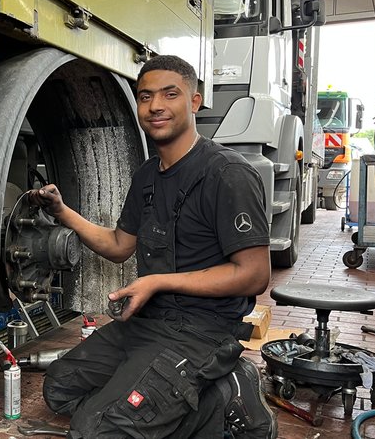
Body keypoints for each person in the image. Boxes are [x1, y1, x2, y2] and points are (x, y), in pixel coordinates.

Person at [32, 55, 276, 438]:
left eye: (170, 94)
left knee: (97, 430)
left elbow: (254, 275)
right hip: (147, 324)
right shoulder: (147, 175)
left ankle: (225, 394)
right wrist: (63, 212)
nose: (156, 106)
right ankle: (184, 398)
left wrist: (158, 282)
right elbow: (117, 245)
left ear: (194, 101)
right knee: (59, 388)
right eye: (145, 97)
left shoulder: (227, 174)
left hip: (202, 333)